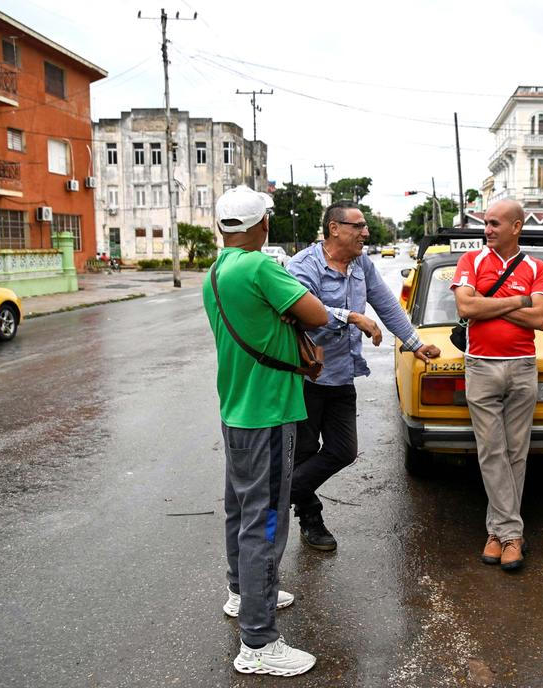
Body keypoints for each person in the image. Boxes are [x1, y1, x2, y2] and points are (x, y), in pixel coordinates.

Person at [202, 185, 328, 676]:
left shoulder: (214, 273)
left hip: (237, 410)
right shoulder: (259, 267)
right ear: (263, 226)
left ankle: (242, 593)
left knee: (240, 508)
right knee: (266, 522)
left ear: (220, 227)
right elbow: (315, 314)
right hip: (269, 413)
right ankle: (257, 643)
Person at [286, 201, 440, 551]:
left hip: (341, 375)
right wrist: (352, 316)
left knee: (343, 451)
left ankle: (277, 495)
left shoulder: (361, 264)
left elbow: (386, 305)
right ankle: (310, 518)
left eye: (365, 226)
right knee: (306, 452)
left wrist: (415, 344)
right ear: (334, 228)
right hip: (305, 377)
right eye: (358, 226)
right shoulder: (303, 265)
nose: (365, 232)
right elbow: (301, 309)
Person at [452, 199, 543, 572]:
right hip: (481, 366)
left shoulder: (537, 267)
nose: (488, 229)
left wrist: (489, 301)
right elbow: (466, 309)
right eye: (486, 223)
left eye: (496, 223)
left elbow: (540, 318)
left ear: (516, 227)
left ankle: (496, 533)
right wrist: (518, 301)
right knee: (491, 451)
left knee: (516, 453)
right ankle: (512, 535)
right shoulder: (471, 262)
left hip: (523, 367)